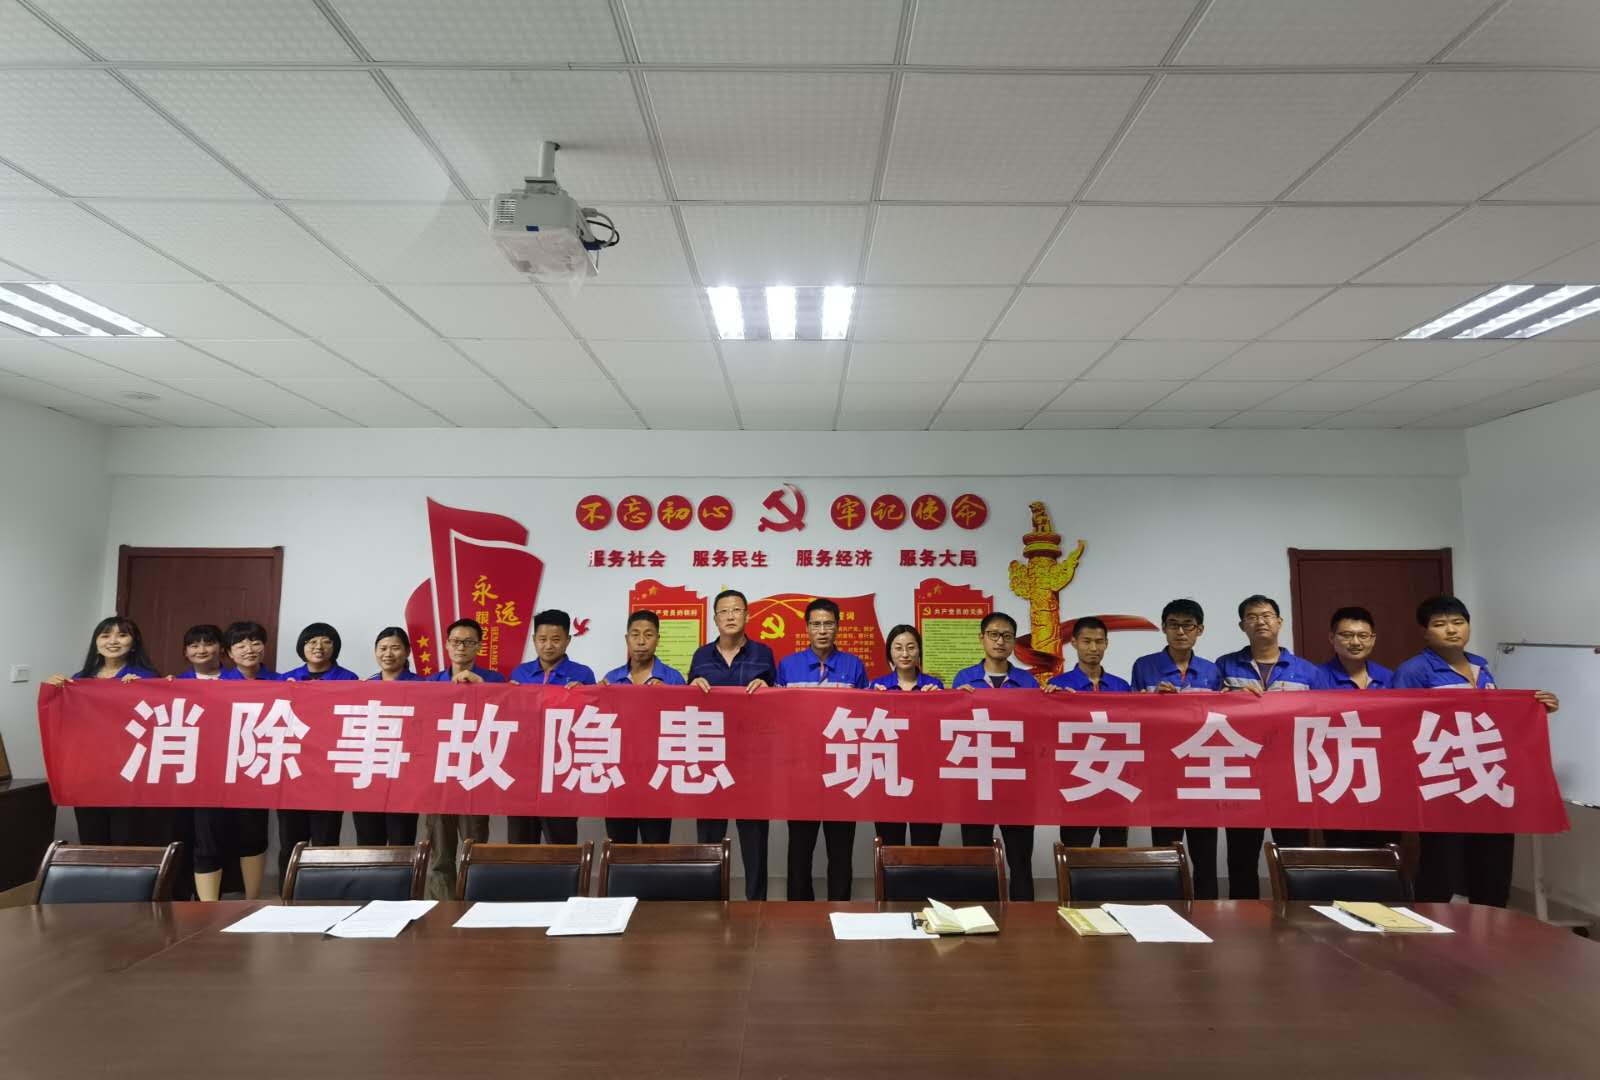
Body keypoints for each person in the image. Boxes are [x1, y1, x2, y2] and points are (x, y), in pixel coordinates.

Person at [1392, 595, 1560, 907]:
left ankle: (1492, 924)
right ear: (1425, 632)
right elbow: (1397, 724)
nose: (1451, 630)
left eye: (1458, 622)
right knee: (1442, 865)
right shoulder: (1413, 671)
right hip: (1443, 781)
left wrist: (1536, 709)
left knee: (1492, 861)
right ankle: (1434, 927)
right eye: (1440, 624)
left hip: (1488, 777)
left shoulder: (1480, 665)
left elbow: (1495, 718)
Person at [1216, 595, 1324, 899]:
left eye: (1266, 615)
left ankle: (1297, 912)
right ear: (1242, 626)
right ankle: (1243, 914)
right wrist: (1229, 697)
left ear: (1279, 622)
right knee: (1241, 855)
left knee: (1293, 853)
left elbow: (1324, 719)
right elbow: (1207, 712)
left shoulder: (1307, 671)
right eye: (1252, 617)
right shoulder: (1224, 665)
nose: (1260, 621)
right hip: (1242, 772)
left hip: (1290, 773)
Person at [777, 598, 869, 901]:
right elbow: (777, 717)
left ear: (838, 627)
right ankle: (797, 911)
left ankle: (840, 910)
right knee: (799, 849)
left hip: (842, 771)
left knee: (841, 850)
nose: (822, 630)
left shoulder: (854, 666)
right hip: (800, 772)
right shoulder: (788, 666)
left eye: (828, 624)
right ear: (806, 628)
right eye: (816, 624)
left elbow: (866, 718)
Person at [687, 589, 776, 900]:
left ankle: (757, 905)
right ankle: (708, 903)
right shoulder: (701, 656)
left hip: (752, 760)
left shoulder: (763, 653)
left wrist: (768, 688)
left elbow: (780, 704)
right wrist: (691, 687)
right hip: (710, 759)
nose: (730, 616)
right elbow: (686, 704)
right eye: (723, 611)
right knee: (709, 839)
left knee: (755, 840)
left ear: (747, 615)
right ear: (714, 618)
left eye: (736, 610)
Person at [1132, 598, 1222, 900]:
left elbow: (1222, 719)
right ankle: (1166, 909)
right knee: (1166, 853)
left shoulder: (1212, 670)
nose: (1180, 631)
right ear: (1163, 628)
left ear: (1200, 630)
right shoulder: (1144, 666)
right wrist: (1153, 701)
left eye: (1188, 625)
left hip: (1202, 773)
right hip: (1163, 773)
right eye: (1173, 625)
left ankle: (1209, 912)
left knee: (1205, 855)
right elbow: (1132, 716)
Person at [46, 616, 159, 848]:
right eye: (106, 635)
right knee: (91, 835)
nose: (113, 641)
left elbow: (156, 722)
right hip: (88, 770)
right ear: (96, 643)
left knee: (126, 838)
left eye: (122, 635)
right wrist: (53, 690)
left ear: (134, 643)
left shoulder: (146, 677)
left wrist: (141, 690)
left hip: (128, 770)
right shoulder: (79, 680)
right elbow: (67, 723)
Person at [952, 612, 1041, 901]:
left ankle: (1024, 921)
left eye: (1007, 636)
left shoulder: (1028, 682)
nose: (1000, 641)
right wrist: (954, 701)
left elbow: (1040, 728)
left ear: (1014, 642)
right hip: (976, 783)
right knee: (977, 862)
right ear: (982, 638)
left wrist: (1050, 699)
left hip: (1017, 784)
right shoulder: (964, 679)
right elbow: (950, 729)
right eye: (993, 635)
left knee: (1020, 862)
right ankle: (978, 917)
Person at [196, 620, 277, 900]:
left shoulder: (282, 683)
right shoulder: (214, 686)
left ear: (264, 647)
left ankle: (252, 900)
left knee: (254, 836)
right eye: (240, 644)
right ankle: (207, 908)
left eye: (255, 642)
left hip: (256, 771)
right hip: (215, 774)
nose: (249, 649)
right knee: (208, 839)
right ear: (229, 653)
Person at [422, 618, 502, 899]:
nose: (461, 647)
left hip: (475, 775)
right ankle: (441, 907)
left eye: (468, 642)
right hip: (439, 775)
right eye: (456, 641)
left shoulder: (495, 681)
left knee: (474, 849)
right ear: (446, 645)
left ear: (479, 647)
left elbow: (508, 716)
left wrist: (483, 687)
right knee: (440, 853)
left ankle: (473, 904)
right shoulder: (430, 683)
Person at [276, 621, 358, 882]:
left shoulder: (349, 679)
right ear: (302, 647)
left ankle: (324, 892)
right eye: (312, 642)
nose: (319, 647)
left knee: (326, 841)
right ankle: (287, 893)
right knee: (290, 842)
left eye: (326, 641)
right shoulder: (284, 679)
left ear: (335, 647)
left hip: (328, 773)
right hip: (291, 772)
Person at [1044, 616, 1131, 850]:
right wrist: (1051, 702)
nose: (1093, 648)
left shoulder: (1122, 687)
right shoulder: (1058, 685)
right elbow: (1046, 734)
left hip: (1115, 778)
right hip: (1077, 779)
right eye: (1087, 641)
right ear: (1074, 643)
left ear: (1106, 644)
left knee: (1115, 851)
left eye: (1099, 641)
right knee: (1075, 850)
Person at [508, 609, 595, 845]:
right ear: (534, 639)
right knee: (520, 843)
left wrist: (584, 696)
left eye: (556, 639)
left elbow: (592, 721)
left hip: (561, 771)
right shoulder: (520, 673)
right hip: (523, 770)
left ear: (568, 640)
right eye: (542, 639)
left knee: (561, 843)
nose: (548, 646)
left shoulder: (582, 674)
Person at [601, 610, 686, 844]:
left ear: (658, 639)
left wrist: (668, 698)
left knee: (655, 846)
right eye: (635, 634)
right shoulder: (611, 679)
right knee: (619, 847)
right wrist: (594, 695)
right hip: (618, 775)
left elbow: (684, 727)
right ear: (626, 638)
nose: (641, 641)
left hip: (657, 775)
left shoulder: (673, 679)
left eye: (648, 635)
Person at [1318, 607, 1396, 848]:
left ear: (1373, 639)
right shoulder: (1316, 678)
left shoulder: (1390, 678)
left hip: (1384, 777)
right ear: (1332, 638)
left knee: (1385, 847)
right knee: (1344, 848)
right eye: (1346, 635)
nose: (1355, 642)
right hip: (1337, 777)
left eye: (1363, 635)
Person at [869, 624, 943, 846]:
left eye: (911, 647)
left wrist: (940, 699)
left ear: (919, 650)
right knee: (890, 846)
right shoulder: (876, 686)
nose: (905, 653)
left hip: (927, 777)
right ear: (889, 652)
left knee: (926, 845)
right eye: (898, 647)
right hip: (888, 777)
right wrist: (872, 702)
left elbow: (942, 731)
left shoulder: (934, 685)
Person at [353, 626, 420, 847]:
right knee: (368, 842)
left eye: (395, 648)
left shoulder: (424, 686)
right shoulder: (363, 686)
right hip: (369, 773)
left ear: (408, 651)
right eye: (382, 648)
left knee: (401, 842)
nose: (388, 654)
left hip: (404, 775)